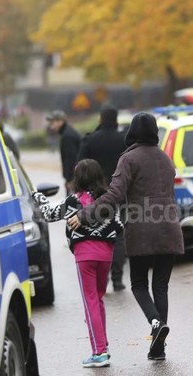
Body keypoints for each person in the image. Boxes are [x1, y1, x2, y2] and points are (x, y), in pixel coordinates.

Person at [68, 112, 184, 361]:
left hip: (142, 232)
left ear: (132, 132)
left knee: (139, 284)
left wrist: (85, 214)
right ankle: (159, 347)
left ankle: (155, 323)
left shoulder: (129, 159)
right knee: (160, 286)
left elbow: (114, 196)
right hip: (169, 229)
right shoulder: (166, 159)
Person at [32, 159, 123, 368]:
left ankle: (99, 352)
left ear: (78, 179)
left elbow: (48, 214)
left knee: (90, 301)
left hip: (85, 256)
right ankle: (102, 345)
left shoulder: (73, 201)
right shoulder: (107, 200)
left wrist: (38, 196)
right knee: (98, 299)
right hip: (106, 255)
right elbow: (119, 224)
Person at [77, 104, 128, 292]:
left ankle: (102, 279)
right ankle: (117, 279)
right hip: (119, 193)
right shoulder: (124, 140)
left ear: (100, 119)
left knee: (97, 234)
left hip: (95, 196)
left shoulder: (90, 140)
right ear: (116, 120)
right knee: (119, 235)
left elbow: (80, 166)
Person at [46, 109, 81, 195]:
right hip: (76, 178)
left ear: (60, 121)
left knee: (73, 201)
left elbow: (71, 159)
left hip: (75, 180)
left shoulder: (67, 136)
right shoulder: (67, 133)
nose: (51, 126)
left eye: (53, 122)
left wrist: (70, 180)